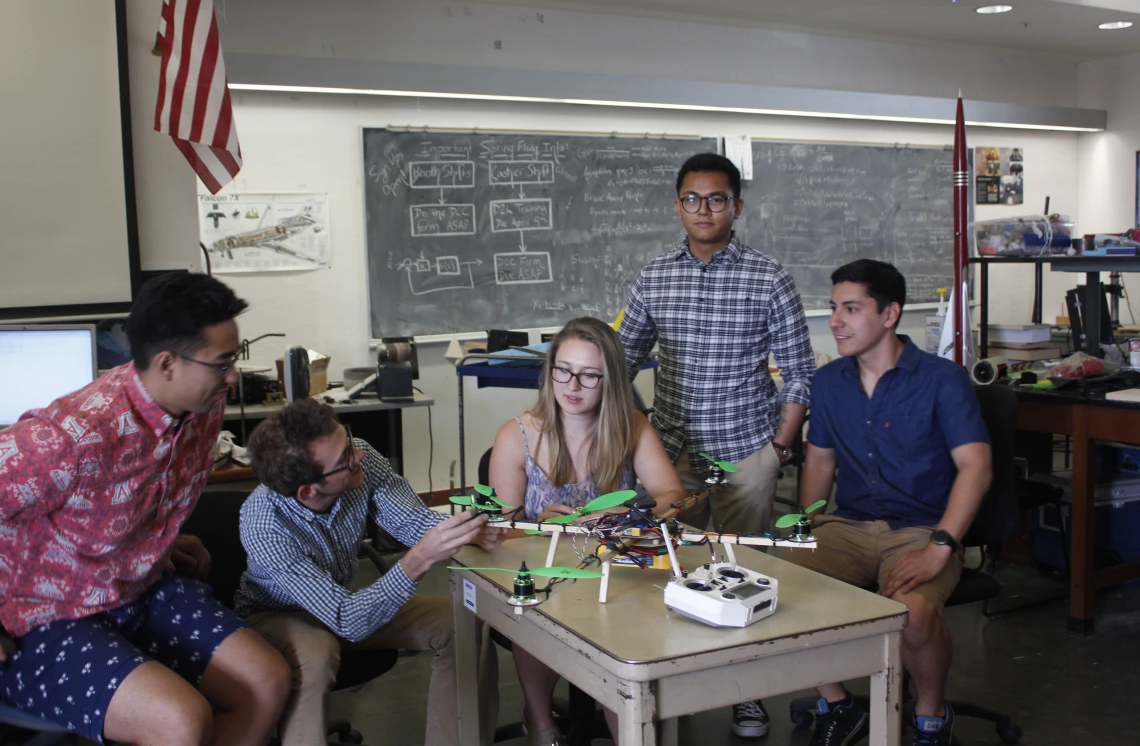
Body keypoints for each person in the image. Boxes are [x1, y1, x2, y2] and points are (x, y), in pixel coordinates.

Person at [0, 272, 291, 746]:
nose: (233, 375)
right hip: (47, 617)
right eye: (222, 363)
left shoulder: (201, 403)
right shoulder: (71, 436)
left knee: (266, 682)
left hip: (137, 588)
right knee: (178, 721)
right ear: (167, 364)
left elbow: (112, 497)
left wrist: (152, 535)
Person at [617, 151, 815, 738]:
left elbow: (801, 372)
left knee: (743, 570)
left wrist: (779, 449)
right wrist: (636, 432)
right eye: (693, 199)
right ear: (678, 205)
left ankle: (746, 694)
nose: (705, 209)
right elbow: (619, 359)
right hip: (673, 450)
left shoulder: (769, 276)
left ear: (737, 206)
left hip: (748, 451)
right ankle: (676, 681)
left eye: (717, 199)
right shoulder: (654, 277)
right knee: (672, 567)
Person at [785, 260, 992, 746]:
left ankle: (930, 716)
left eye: (851, 308)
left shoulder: (942, 380)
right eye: (835, 307)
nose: (835, 320)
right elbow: (819, 464)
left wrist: (941, 546)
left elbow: (976, 468)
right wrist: (805, 528)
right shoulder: (831, 381)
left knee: (912, 615)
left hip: (921, 530)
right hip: (849, 524)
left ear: (890, 314)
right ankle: (838, 704)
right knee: (775, 588)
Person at [235, 398, 502, 746]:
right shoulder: (264, 525)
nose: (357, 455)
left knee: (462, 622)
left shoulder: (359, 455)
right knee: (314, 655)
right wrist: (418, 560)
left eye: (347, 440)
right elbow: (348, 619)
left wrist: (470, 529)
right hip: (277, 616)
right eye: (344, 458)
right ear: (308, 490)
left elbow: (413, 522)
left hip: (345, 603)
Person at [489, 316, 685, 746]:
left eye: (589, 375)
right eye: (563, 369)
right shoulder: (516, 436)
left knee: (634, 623)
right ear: (550, 370)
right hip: (543, 575)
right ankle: (539, 721)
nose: (572, 384)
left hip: (614, 572)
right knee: (536, 606)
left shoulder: (630, 425)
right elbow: (498, 533)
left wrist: (624, 514)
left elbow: (672, 494)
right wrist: (542, 527)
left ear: (610, 379)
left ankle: (631, 730)